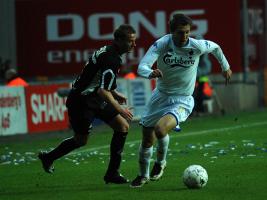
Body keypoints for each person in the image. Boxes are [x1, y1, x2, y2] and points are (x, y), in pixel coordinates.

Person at [130, 13, 232, 187]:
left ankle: (160, 163)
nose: (184, 36)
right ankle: (143, 175)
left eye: (187, 32)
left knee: (160, 129)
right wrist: (150, 72)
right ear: (171, 32)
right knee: (147, 139)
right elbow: (142, 66)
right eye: (180, 32)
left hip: (182, 100)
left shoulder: (196, 45)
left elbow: (215, 47)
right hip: (160, 96)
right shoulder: (162, 44)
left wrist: (226, 67)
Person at [38, 24, 137, 184]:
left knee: (122, 127)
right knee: (81, 140)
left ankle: (112, 173)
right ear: (118, 41)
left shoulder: (109, 51)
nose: (134, 45)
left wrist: (115, 93)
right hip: (81, 101)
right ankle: (48, 157)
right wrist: (120, 108)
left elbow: (97, 78)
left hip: (93, 97)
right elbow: (102, 91)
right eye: (130, 41)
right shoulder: (112, 58)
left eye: (134, 41)